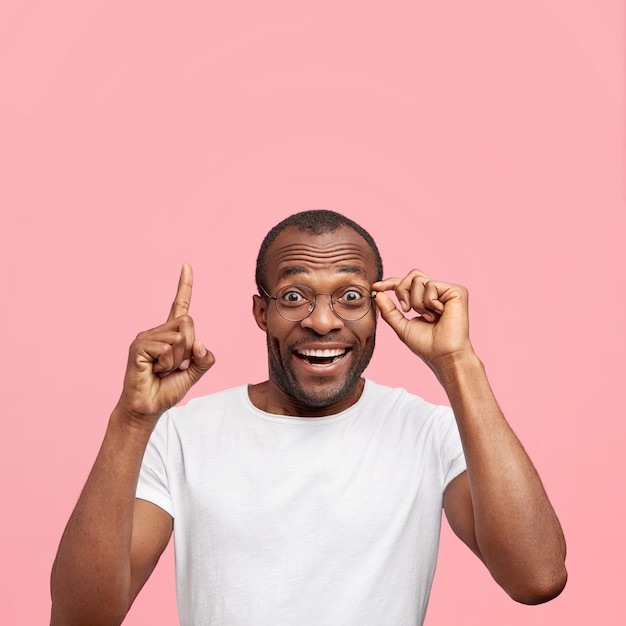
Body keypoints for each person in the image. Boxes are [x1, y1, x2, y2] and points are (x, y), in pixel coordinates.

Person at [50, 210, 567, 625]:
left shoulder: (429, 433)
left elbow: (537, 578)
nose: (322, 322)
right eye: (295, 296)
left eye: (350, 297)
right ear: (261, 313)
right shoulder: (181, 436)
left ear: (379, 310)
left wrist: (457, 363)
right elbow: (81, 619)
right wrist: (132, 420)